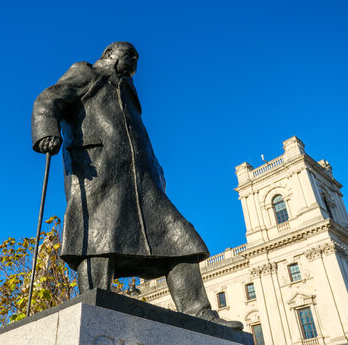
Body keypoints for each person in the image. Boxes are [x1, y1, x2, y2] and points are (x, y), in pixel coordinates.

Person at [31, 42, 243, 330]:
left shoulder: (129, 89)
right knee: (98, 239)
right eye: (129, 55)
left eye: (137, 58)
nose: (135, 61)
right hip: (98, 171)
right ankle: (96, 302)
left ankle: (200, 313)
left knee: (181, 239)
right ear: (109, 54)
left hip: (142, 181)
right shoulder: (86, 72)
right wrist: (46, 129)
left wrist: (156, 170)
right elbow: (48, 99)